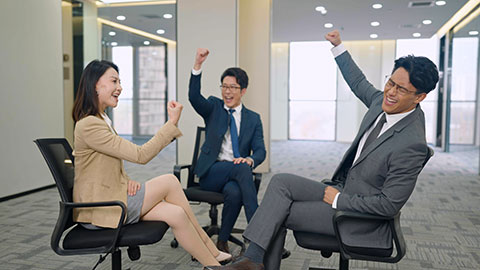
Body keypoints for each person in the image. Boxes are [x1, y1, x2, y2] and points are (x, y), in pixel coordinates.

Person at [207, 29, 439, 270]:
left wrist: (340, 199)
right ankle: (252, 261)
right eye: (390, 82)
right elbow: (358, 82)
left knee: (280, 210)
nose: (390, 92)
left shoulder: (412, 143)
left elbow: (389, 205)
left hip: (361, 219)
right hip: (343, 189)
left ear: (419, 97)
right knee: (281, 182)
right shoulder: (381, 103)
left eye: (401, 89)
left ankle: (251, 262)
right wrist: (338, 46)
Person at [71, 60, 231, 268]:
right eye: (114, 81)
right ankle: (210, 249)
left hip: (111, 199)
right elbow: (140, 155)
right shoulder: (89, 124)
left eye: (120, 81)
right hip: (102, 209)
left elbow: (103, 167)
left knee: (176, 213)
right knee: (169, 181)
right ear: (94, 85)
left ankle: (212, 263)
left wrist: (126, 180)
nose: (119, 87)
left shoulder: (101, 120)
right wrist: (171, 123)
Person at [188, 48, 266, 253]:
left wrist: (250, 160)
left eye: (233, 87)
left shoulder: (253, 118)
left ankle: (222, 240)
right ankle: (260, 236)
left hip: (235, 175)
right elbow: (194, 97)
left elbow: (260, 151)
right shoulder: (213, 106)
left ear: (243, 90)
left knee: (235, 190)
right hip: (211, 172)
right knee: (241, 170)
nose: (227, 92)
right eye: (224, 86)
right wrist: (198, 65)